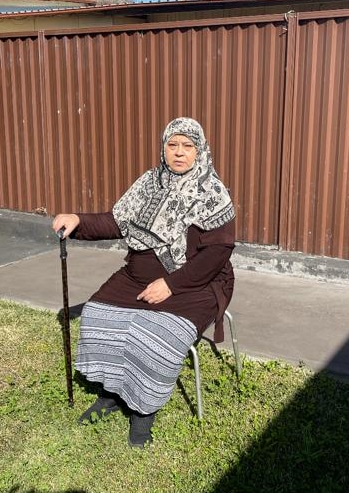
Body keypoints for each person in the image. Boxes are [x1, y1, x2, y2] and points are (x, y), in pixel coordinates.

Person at [52, 117, 235, 447]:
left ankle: (141, 414)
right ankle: (111, 393)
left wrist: (171, 284)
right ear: (164, 147)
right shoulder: (149, 181)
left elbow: (217, 255)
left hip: (196, 284)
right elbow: (116, 221)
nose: (179, 153)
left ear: (200, 150)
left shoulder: (213, 193)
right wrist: (78, 219)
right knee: (97, 314)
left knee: (152, 333)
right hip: (136, 276)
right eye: (172, 145)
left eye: (187, 146)